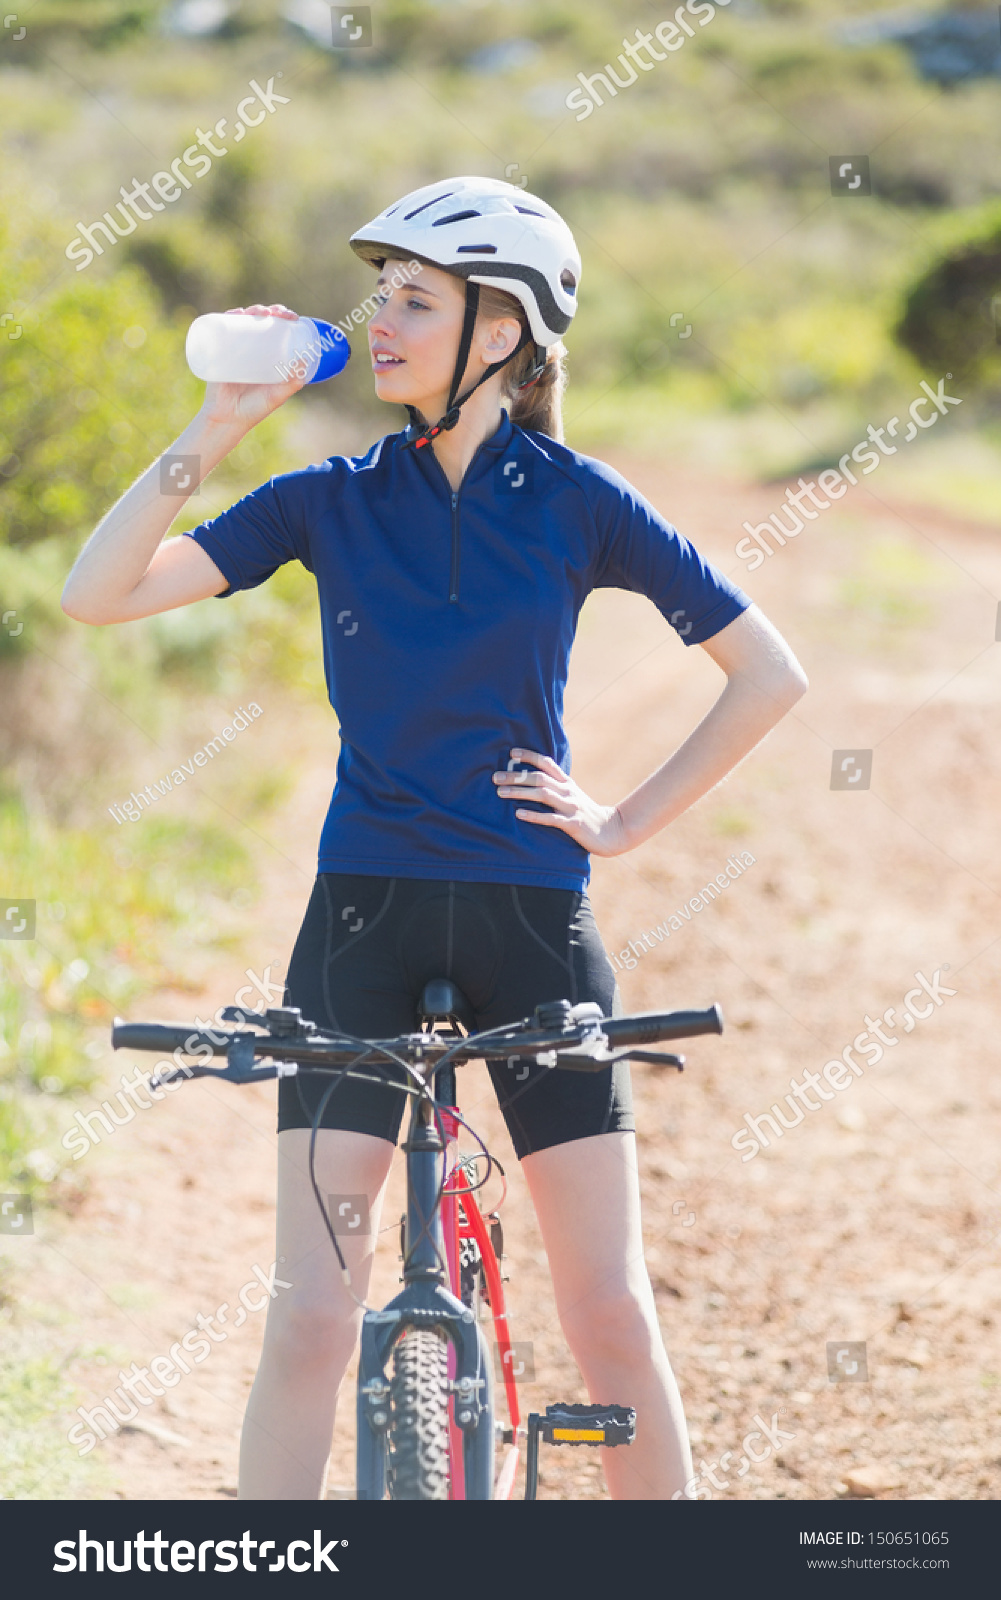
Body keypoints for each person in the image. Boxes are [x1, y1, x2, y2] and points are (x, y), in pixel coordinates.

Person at [62, 176, 807, 1501]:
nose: (381, 320)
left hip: (535, 918)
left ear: (502, 333)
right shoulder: (327, 498)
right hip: (359, 920)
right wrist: (215, 422)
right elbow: (98, 595)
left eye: (416, 299)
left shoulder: (575, 499)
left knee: (612, 1320)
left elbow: (767, 675)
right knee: (307, 1318)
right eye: (380, 294)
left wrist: (624, 820)